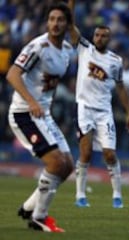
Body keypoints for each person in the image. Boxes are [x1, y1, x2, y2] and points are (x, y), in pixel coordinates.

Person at [6, 2, 74, 232]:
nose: (55, 23)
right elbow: (13, 74)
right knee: (56, 162)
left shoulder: (67, 51)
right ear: (47, 22)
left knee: (67, 166)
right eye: (52, 19)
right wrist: (32, 101)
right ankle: (39, 218)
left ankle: (27, 207)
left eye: (60, 19)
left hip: (43, 115)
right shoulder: (38, 46)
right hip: (24, 113)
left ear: (67, 23)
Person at [67, 0, 129, 208]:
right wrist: (71, 4)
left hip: (104, 111)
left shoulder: (116, 61)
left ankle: (117, 195)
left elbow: (121, 87)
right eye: (97, 34)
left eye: (104, 35)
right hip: (84, 108)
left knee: (109, 153)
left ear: (109, 38)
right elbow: (70, 25)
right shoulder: (85, 48)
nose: (99, 38)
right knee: (85, 152)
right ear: (93, 36)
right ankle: (80, 196)